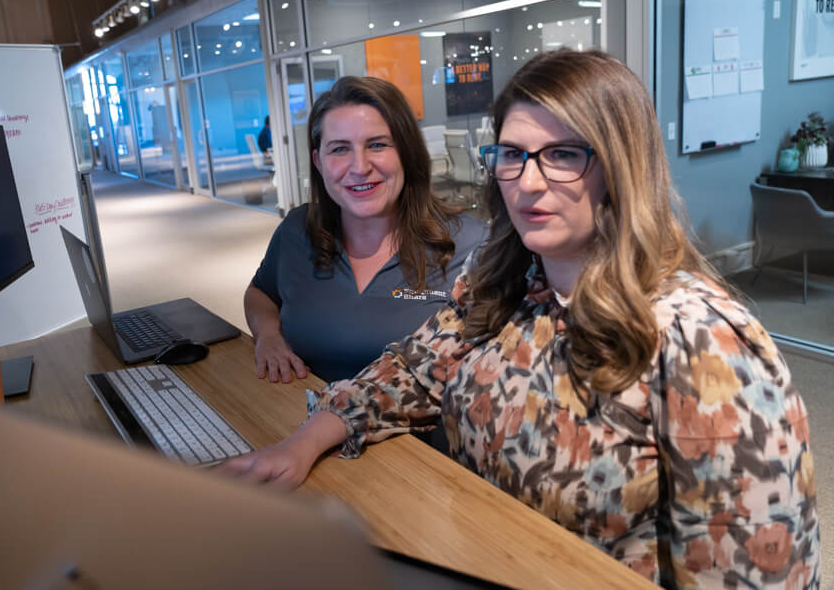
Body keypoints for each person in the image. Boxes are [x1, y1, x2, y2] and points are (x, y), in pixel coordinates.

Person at [223, 50, 820, 588]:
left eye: (563, 154)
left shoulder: (703, 340)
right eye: (513, 155)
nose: (529, 182)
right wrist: (305, 441)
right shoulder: (502, 288)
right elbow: (411, 371)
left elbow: (757, 573)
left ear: (620, 165)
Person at [244, 76, 485, 383]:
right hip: (302, 419)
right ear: (319, 162)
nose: (359, 166)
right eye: (339, 149)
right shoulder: (297, 230)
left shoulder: (472, 244)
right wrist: (268, 335)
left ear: (407, 154)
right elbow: (260, 292)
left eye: (377, 145)